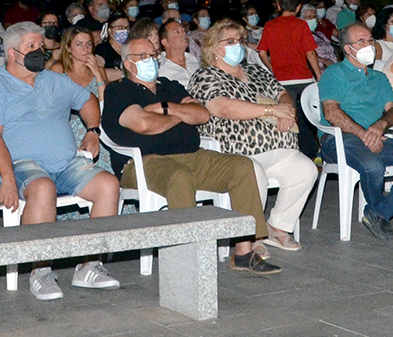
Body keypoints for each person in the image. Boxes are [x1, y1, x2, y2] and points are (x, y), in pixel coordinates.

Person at [102, 29, 278, 273]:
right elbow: (143, 124)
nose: (150, 60)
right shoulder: (118, 90)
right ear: (128, 63)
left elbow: (202, 114)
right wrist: (181, 114)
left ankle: (244, 251)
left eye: (153, 55)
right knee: (179, 178)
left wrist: (165, 108)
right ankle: (187, 259)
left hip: (193, 156)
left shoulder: (169, 86)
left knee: (241, 166)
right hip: (144, 163)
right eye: (142, 56)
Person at [0, 23, 120, 299]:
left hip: (63, 163)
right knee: (42, 187)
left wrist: (92, 131)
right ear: (13, 53)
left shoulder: (53, 80)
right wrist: (6, 178)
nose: (39, 51)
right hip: (16, 164)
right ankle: (40, 271)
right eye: (31, 47)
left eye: (40, 46)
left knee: (108, 184)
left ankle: (89, 265)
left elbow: (88, 101)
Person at [189, 21, 317, 252]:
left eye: (240, 41)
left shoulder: (256, 71)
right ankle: (252, 236)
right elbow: (222, 108)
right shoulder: (205, 76)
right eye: (230, 42)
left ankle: (277, 227)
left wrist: (287, 109)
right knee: (251, 172)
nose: (237, 46)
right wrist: (271, 111)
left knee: (306, 170)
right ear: (213, 48)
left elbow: (283, 93)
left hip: (280, 147)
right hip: (237, 150)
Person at [316, 23, 393, 237]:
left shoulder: (378, 78)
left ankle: (378, 213)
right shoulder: (335, 73)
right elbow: (331, 112)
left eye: (370, 40)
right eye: (361, 41)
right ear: (347, 48)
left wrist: (379, 125)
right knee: (373, 165)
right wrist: (364, 134)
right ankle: (380, 213)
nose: (369, 44)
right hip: (340, 139)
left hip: (376, 135)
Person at [257, 0, 320, 86]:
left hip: (281, 80)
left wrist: (272, 68)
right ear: (298, 7)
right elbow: (310, 53)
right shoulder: (302, 24)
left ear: (278, 6)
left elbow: (262, 52)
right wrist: (318, 75)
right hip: (303, 78)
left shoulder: (270, 25)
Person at [155, 19, 199, 86]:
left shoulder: (194, 61)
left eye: (183, 30)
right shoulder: (159, 68)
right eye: (177, 32)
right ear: (165, 42)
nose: (184, 34)